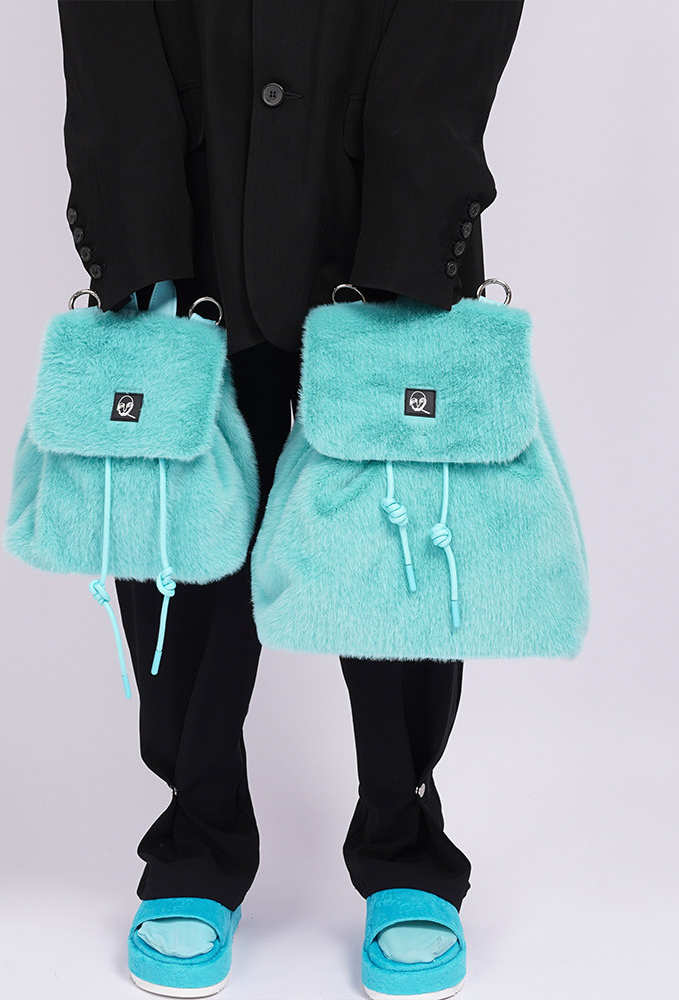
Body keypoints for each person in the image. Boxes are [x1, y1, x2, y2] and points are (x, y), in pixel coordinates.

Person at [56, 2, 524, 996]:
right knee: (184, 525)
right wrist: (136, 216)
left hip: (386, 181)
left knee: (397, 531)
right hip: (191, 184)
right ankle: (196, 835)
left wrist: (416, 200)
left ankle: (405, 840)